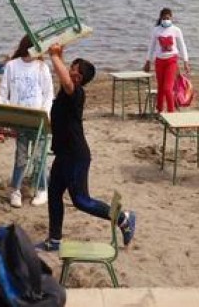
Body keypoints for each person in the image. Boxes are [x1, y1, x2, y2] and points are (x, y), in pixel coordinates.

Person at [37, 43, 136, 252]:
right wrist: (59, 55)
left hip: (76, 156)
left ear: (78, 77)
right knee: (54, 194)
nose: (69, 69)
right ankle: (55, 240)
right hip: (64, 155)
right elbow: (64, 75)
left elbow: (64, 78)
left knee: (81, 200)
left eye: (73, 68)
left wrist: (54, 55)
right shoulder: (68, 90)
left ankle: (123, 219)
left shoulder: (76, 92)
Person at [0, 35, 54, 208]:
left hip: (39, 119)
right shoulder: (12, 66)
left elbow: (49, 94)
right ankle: (16, 190)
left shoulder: (42, 67)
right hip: (19, 119)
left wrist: (46, 113)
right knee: (20, 158)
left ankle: (43, 190)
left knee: (39, 157)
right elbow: (3, 92)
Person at [143, 7, 190, 114]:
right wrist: (147, 62)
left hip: (171, 61)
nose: (166, 20)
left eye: (168, 18)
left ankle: (171, 111)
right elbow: (151, 46)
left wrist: (186, 62)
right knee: (160, 88)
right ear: (160, 18)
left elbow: (182, 46)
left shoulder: (176, 30)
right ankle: (159, 110)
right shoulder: (156, 30)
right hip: (159, 61)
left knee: (167, 88)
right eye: (164, 18)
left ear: (171, 18)